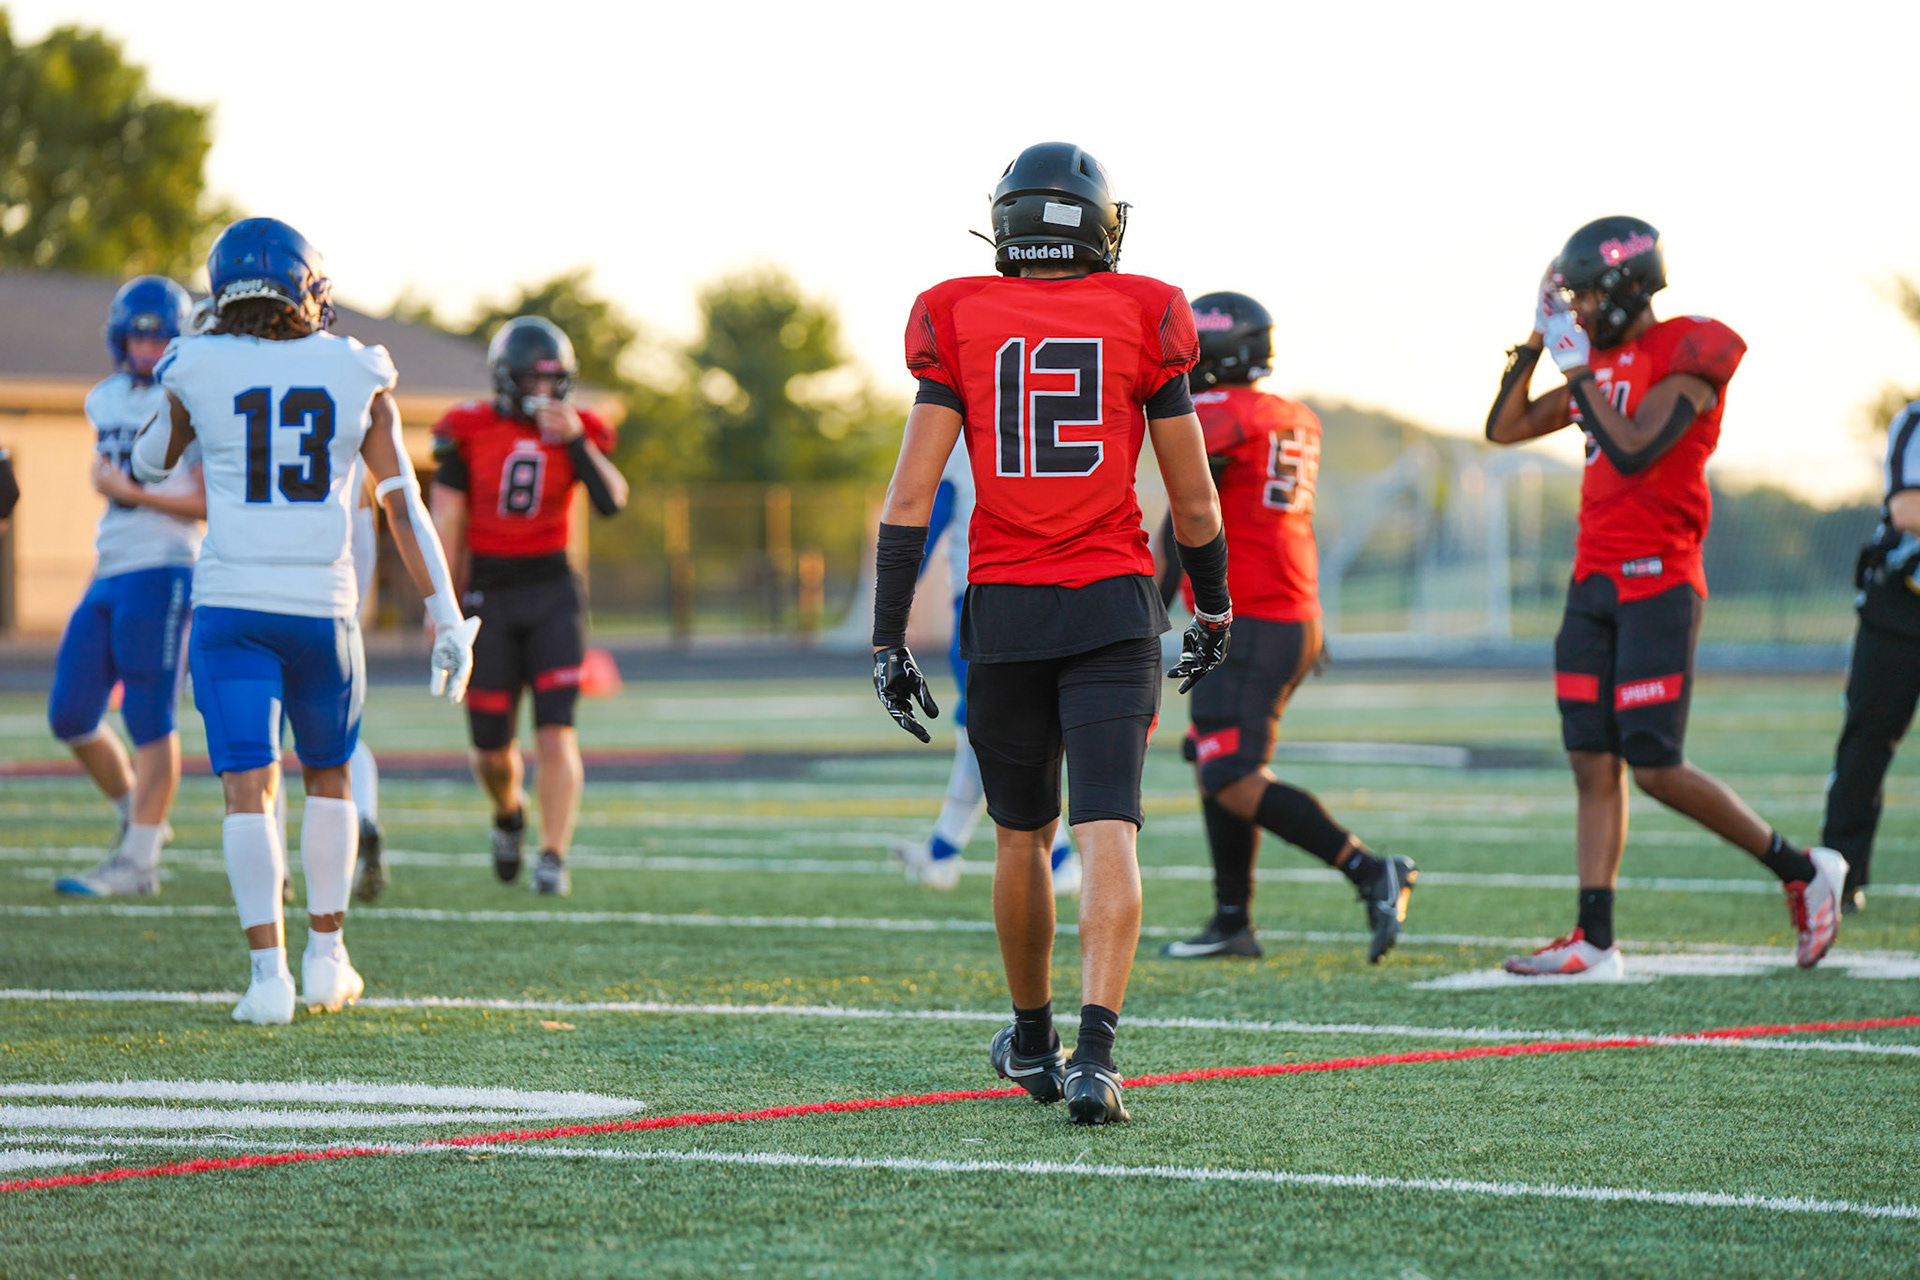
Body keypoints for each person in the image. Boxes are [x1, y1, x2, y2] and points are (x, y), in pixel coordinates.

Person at [871, 142, 1230, 1124]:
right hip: (1113, 602)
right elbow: (1195, 498)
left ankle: (1033, 1040)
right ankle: (1097, 1057)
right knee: (1108, 828)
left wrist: (887, 637)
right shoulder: (1146, 311)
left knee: (1019, 838)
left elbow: (908, 500)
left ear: (1009, 223)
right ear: (1099, 226)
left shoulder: (957, 314)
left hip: (1006, 608)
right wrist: (1213, 604)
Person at [134, 216, 479, 1025]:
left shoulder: (196, 363)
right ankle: (328, 960)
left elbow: (148, 462)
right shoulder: (357, 367)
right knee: (329, 776)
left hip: (232, 608)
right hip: (323, 611)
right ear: (307, 288)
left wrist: (186, 371)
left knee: (246, 789)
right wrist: (446, 614)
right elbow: (402, 505)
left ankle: (267, 978)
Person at [1485, 215, 1847, 979]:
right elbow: (1506, 427)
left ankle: (1802, 868)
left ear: (1627, 288)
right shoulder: (1595, 359)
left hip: (1659, 579)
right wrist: (1536, 343)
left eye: (1587, 295)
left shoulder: (1689, 349)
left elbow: (1635, 448)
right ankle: (1595, 940)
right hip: (1593, 581)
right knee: (1592, 761)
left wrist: (1578, 373)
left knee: (1653, 764)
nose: (1580, 310)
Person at [1154, 291, 1416, 963]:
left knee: (1230, 772)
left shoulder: (1221, 414)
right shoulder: (1289, 416)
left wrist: (1147, 606)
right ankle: (1232, 921)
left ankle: (1369, 870)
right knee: (1213, 759)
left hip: (1252, 618)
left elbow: (1188, 513)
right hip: (1287, 613)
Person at [429, 317, 627, 897]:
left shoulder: (579, 429)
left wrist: (577, 442)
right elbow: (446, 521)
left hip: (553, 591)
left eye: (552, 380)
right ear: (505, 379)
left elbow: (613, 501)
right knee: (491, 750)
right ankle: (509, 812)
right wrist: (441, 605)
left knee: (556, 731)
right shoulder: (468, 428)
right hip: (488, 595)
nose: (543, 391)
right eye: (531, 380)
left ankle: (553, 855)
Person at [48, 276, 203, 897]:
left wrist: (126, 490)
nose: (147, 349)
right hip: (109, 564)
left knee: (147, 713)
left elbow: (206, 503)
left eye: (159, 338)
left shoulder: (192, 397)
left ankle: (139, 862)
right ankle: (139, 819)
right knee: (70, 713)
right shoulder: (104, 398)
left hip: (164, 565)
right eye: (138, 338)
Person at [889, 441, 1081, 895]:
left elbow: (923, 519)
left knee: (991, 731)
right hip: (1062, 593)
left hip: (985, 597)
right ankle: (943, 851)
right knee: (990, 729)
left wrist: (893, 606)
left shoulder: (962, 434)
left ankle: (1058, 859)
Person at [1821, 398, 1920, 913]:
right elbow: (1908, 510)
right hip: (1902, 605)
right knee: (1867, 739)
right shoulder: (1915, 420)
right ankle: (1841, 873)